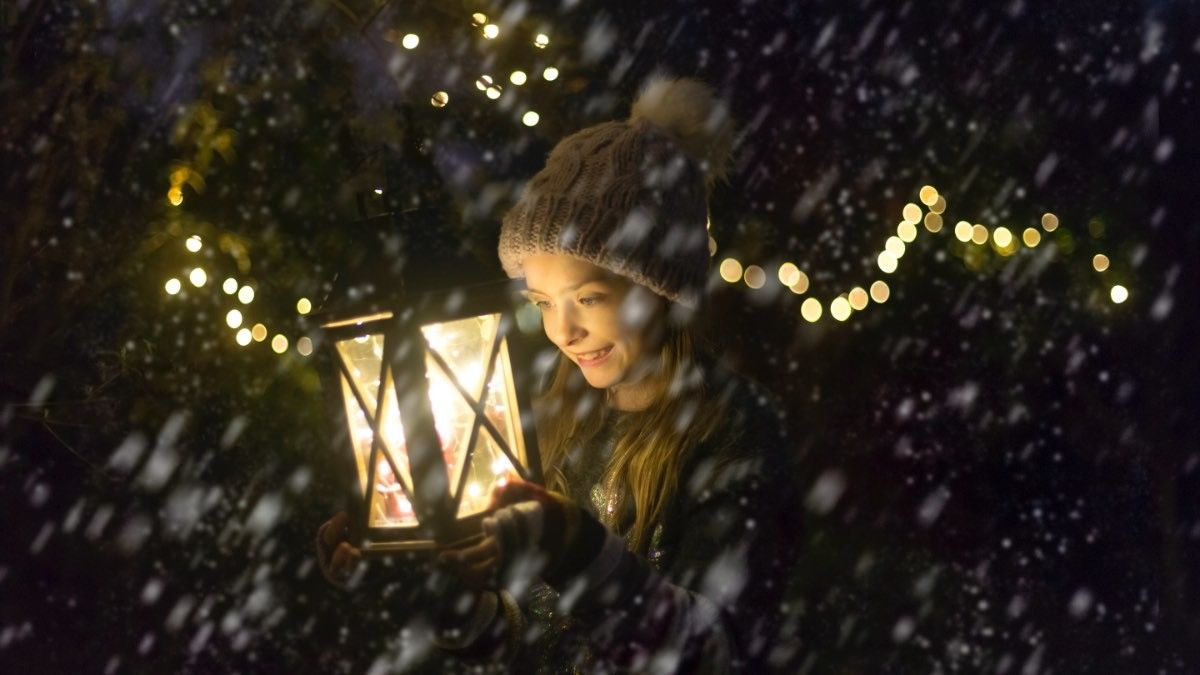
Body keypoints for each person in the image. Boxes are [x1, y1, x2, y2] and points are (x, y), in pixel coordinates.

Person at [317, 76, 798, 672]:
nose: (560, 331)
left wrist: (579, 549)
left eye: (589, 298)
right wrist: (445, 597)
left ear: (662, 288)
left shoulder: (733, 433)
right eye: (542, 302)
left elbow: (718, 654)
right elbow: (534, 644)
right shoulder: (555, 421)